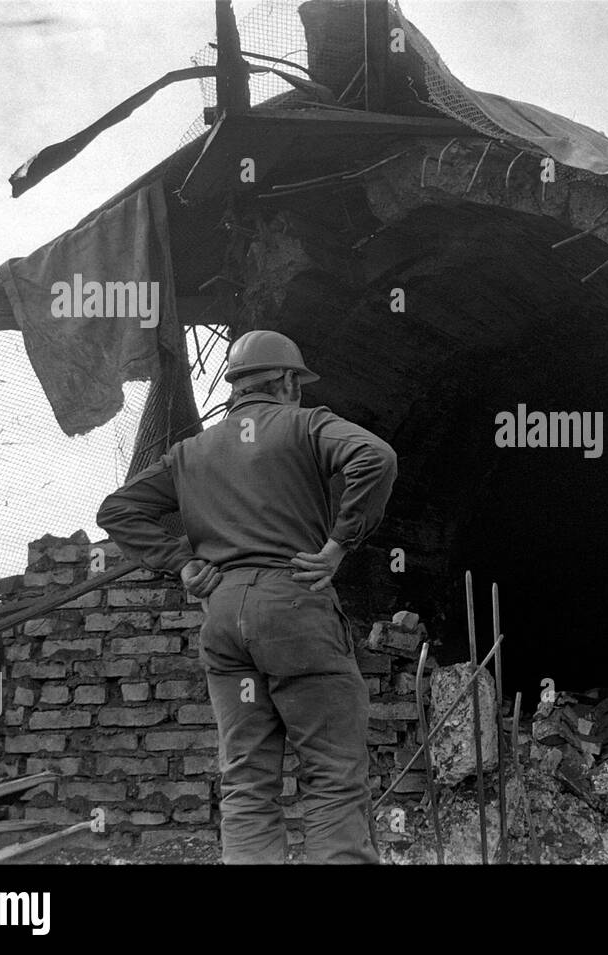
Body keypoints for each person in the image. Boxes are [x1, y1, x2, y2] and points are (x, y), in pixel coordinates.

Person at [96, 329, 397, 864]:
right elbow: (375, 457)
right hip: (294, 611)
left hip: (225, 623)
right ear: (286, 381)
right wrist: (337, 546)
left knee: (248, 782)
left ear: (236, 387)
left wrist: (183, 563)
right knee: (331, 778)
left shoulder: (191, 452)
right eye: (296, 382)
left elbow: (118, 509)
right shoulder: (308, 425)